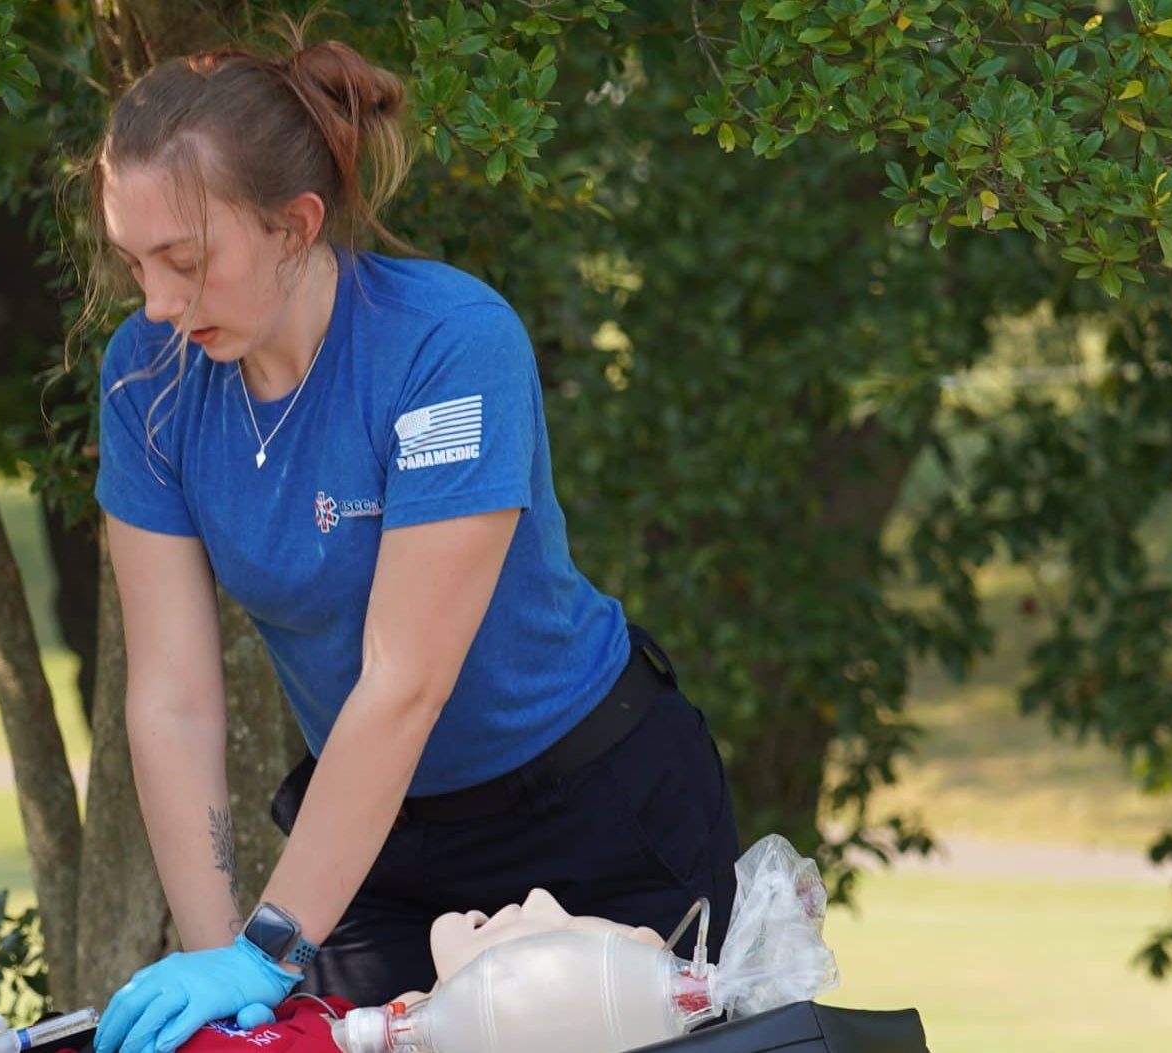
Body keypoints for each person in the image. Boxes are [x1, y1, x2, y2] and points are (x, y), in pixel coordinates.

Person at [86, 34, 743, 1053]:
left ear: (295, 225)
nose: (158, 304)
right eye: (134, 264)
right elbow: (169, 699)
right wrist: (225, 971)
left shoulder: (447, 344)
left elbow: (404, 681)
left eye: (185, 260)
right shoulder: (147, 379)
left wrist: (266, 947)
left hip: (598, 819)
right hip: (377, 848)